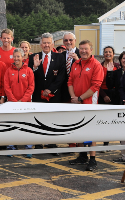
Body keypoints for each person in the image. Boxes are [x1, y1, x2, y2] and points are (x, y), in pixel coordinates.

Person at [67, 40, 103, 171]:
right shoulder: (76, 64)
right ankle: (82, 156)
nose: (83, 51)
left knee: (91, 131)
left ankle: (92, 159)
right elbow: (70, 81)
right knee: (79, 129)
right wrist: (73, 98)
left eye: (86, 49)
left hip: (89, 103)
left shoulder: (96, 65)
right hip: (76, 102)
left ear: (91, 49)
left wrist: (81, 98)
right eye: (81, 49)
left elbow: (96, 86)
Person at [4, 48, 36, 156]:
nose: (16, 59)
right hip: (12, 103)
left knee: (27, 126)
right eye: (15, 56)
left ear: (23, 57)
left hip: (25, 103)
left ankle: (28, 148)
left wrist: (22, 100)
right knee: (12, 125)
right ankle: (11, 147)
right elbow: (6, 87)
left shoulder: (29, 70)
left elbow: (31, 87)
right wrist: (13, 100)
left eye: (18, 56)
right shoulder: (8, 70)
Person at [30, 33, 66, 103]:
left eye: (49, 43)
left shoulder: (60, 57)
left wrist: (50, 89)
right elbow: (29, 75)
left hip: (54, 95)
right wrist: (34, 67)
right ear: (41, 45)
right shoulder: (34, 57)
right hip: (37, 96)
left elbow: (61, 76)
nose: (46, 45)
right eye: (44, 43)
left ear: (52, 45)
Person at [60, 32, 79, 103]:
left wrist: (77, 60)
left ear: (75, 41)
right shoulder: (60, 55)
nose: (68, 42)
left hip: (77, 89)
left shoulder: (81, 54)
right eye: (66, 40)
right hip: (63, 91)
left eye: (70, 40)